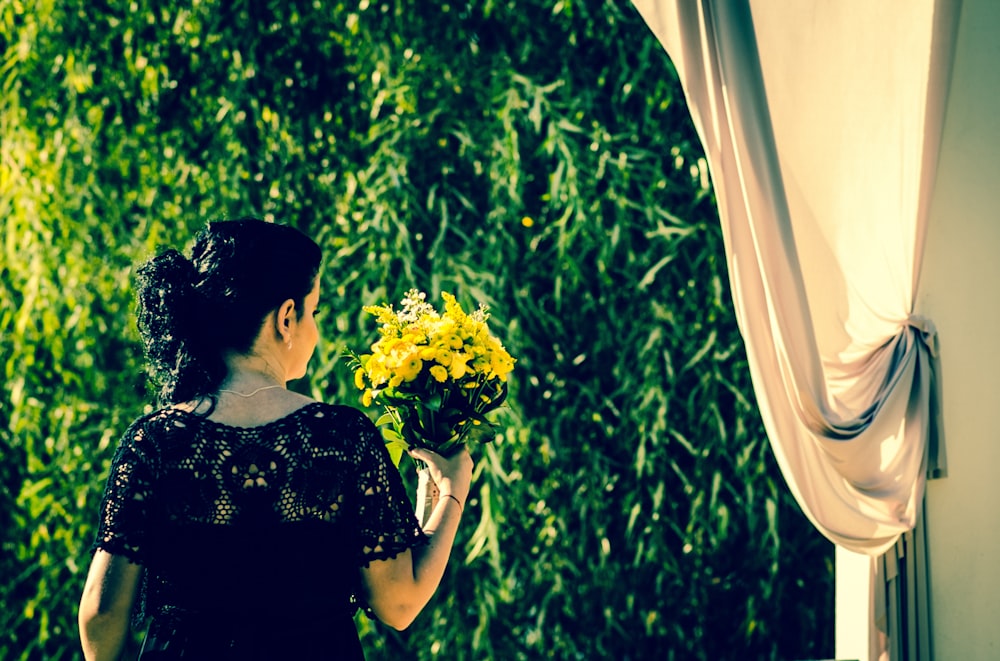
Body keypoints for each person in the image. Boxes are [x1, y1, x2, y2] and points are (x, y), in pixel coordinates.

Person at [78, 218, 473, 660]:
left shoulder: (155, 442)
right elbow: (399, 602)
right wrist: (450, 494)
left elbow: (100, 612)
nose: (316, 332)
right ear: (286, 318)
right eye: (315, 313)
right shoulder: (340, 438)